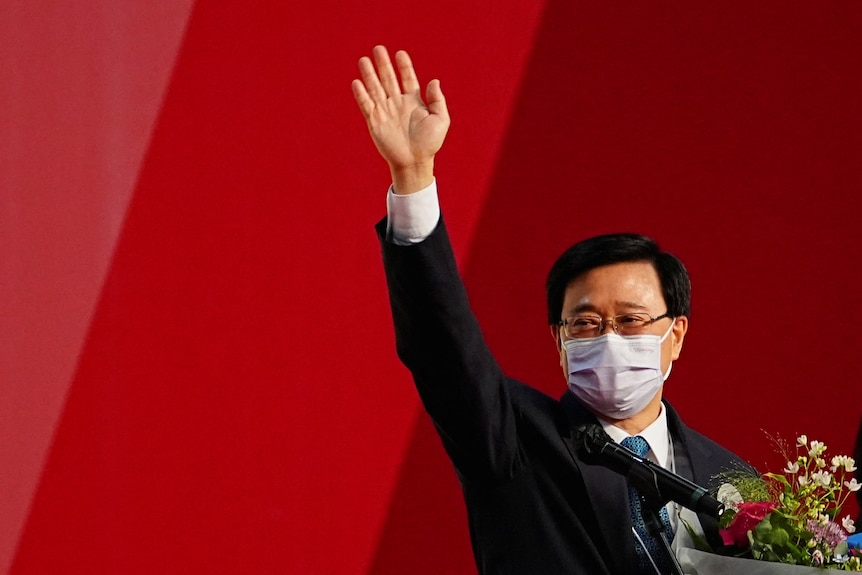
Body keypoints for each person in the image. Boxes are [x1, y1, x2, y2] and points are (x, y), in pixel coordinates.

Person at [352, 45, 750, 575]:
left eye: (630, 320)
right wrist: (414, 175)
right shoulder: (513, 438)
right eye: (586, 323)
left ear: (676, 333)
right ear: (560, 341)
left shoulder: (735, 482)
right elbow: (441, 348)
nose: (609, 337)